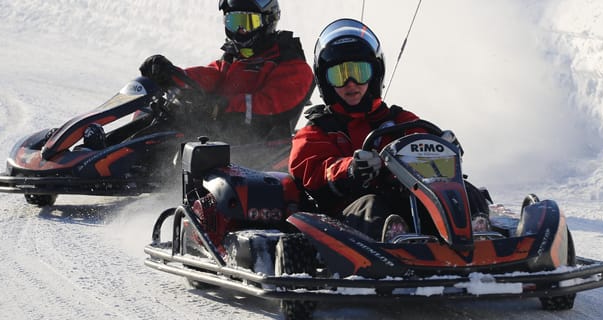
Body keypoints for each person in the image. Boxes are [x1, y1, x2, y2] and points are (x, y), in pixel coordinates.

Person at [289, 18, 489, 241]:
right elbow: (311, 171)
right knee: (371, 206)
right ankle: (394, 241)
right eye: (340, 75)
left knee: (466, 191)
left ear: (374, 74)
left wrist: (443, 145)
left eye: (360, 72)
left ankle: (478, 234)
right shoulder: (317, 130)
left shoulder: (398, 120)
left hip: (407, 198)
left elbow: (420, 139)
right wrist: (352, 169)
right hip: (348, 214)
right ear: (326, 82)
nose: (351, 83)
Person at [138, 0, 315, 170]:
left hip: (253, 153)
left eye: (247, 22)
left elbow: (270, 106)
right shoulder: (235, 58)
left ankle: (132, 162)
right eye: (233, 22)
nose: (240, 30)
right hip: (217, 140)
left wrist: (220, 106)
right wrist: (172, 75)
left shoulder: (291, 65)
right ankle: (121, 152)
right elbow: (210, 76)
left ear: (268, 20)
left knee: (183, 118)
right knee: (158, 102)